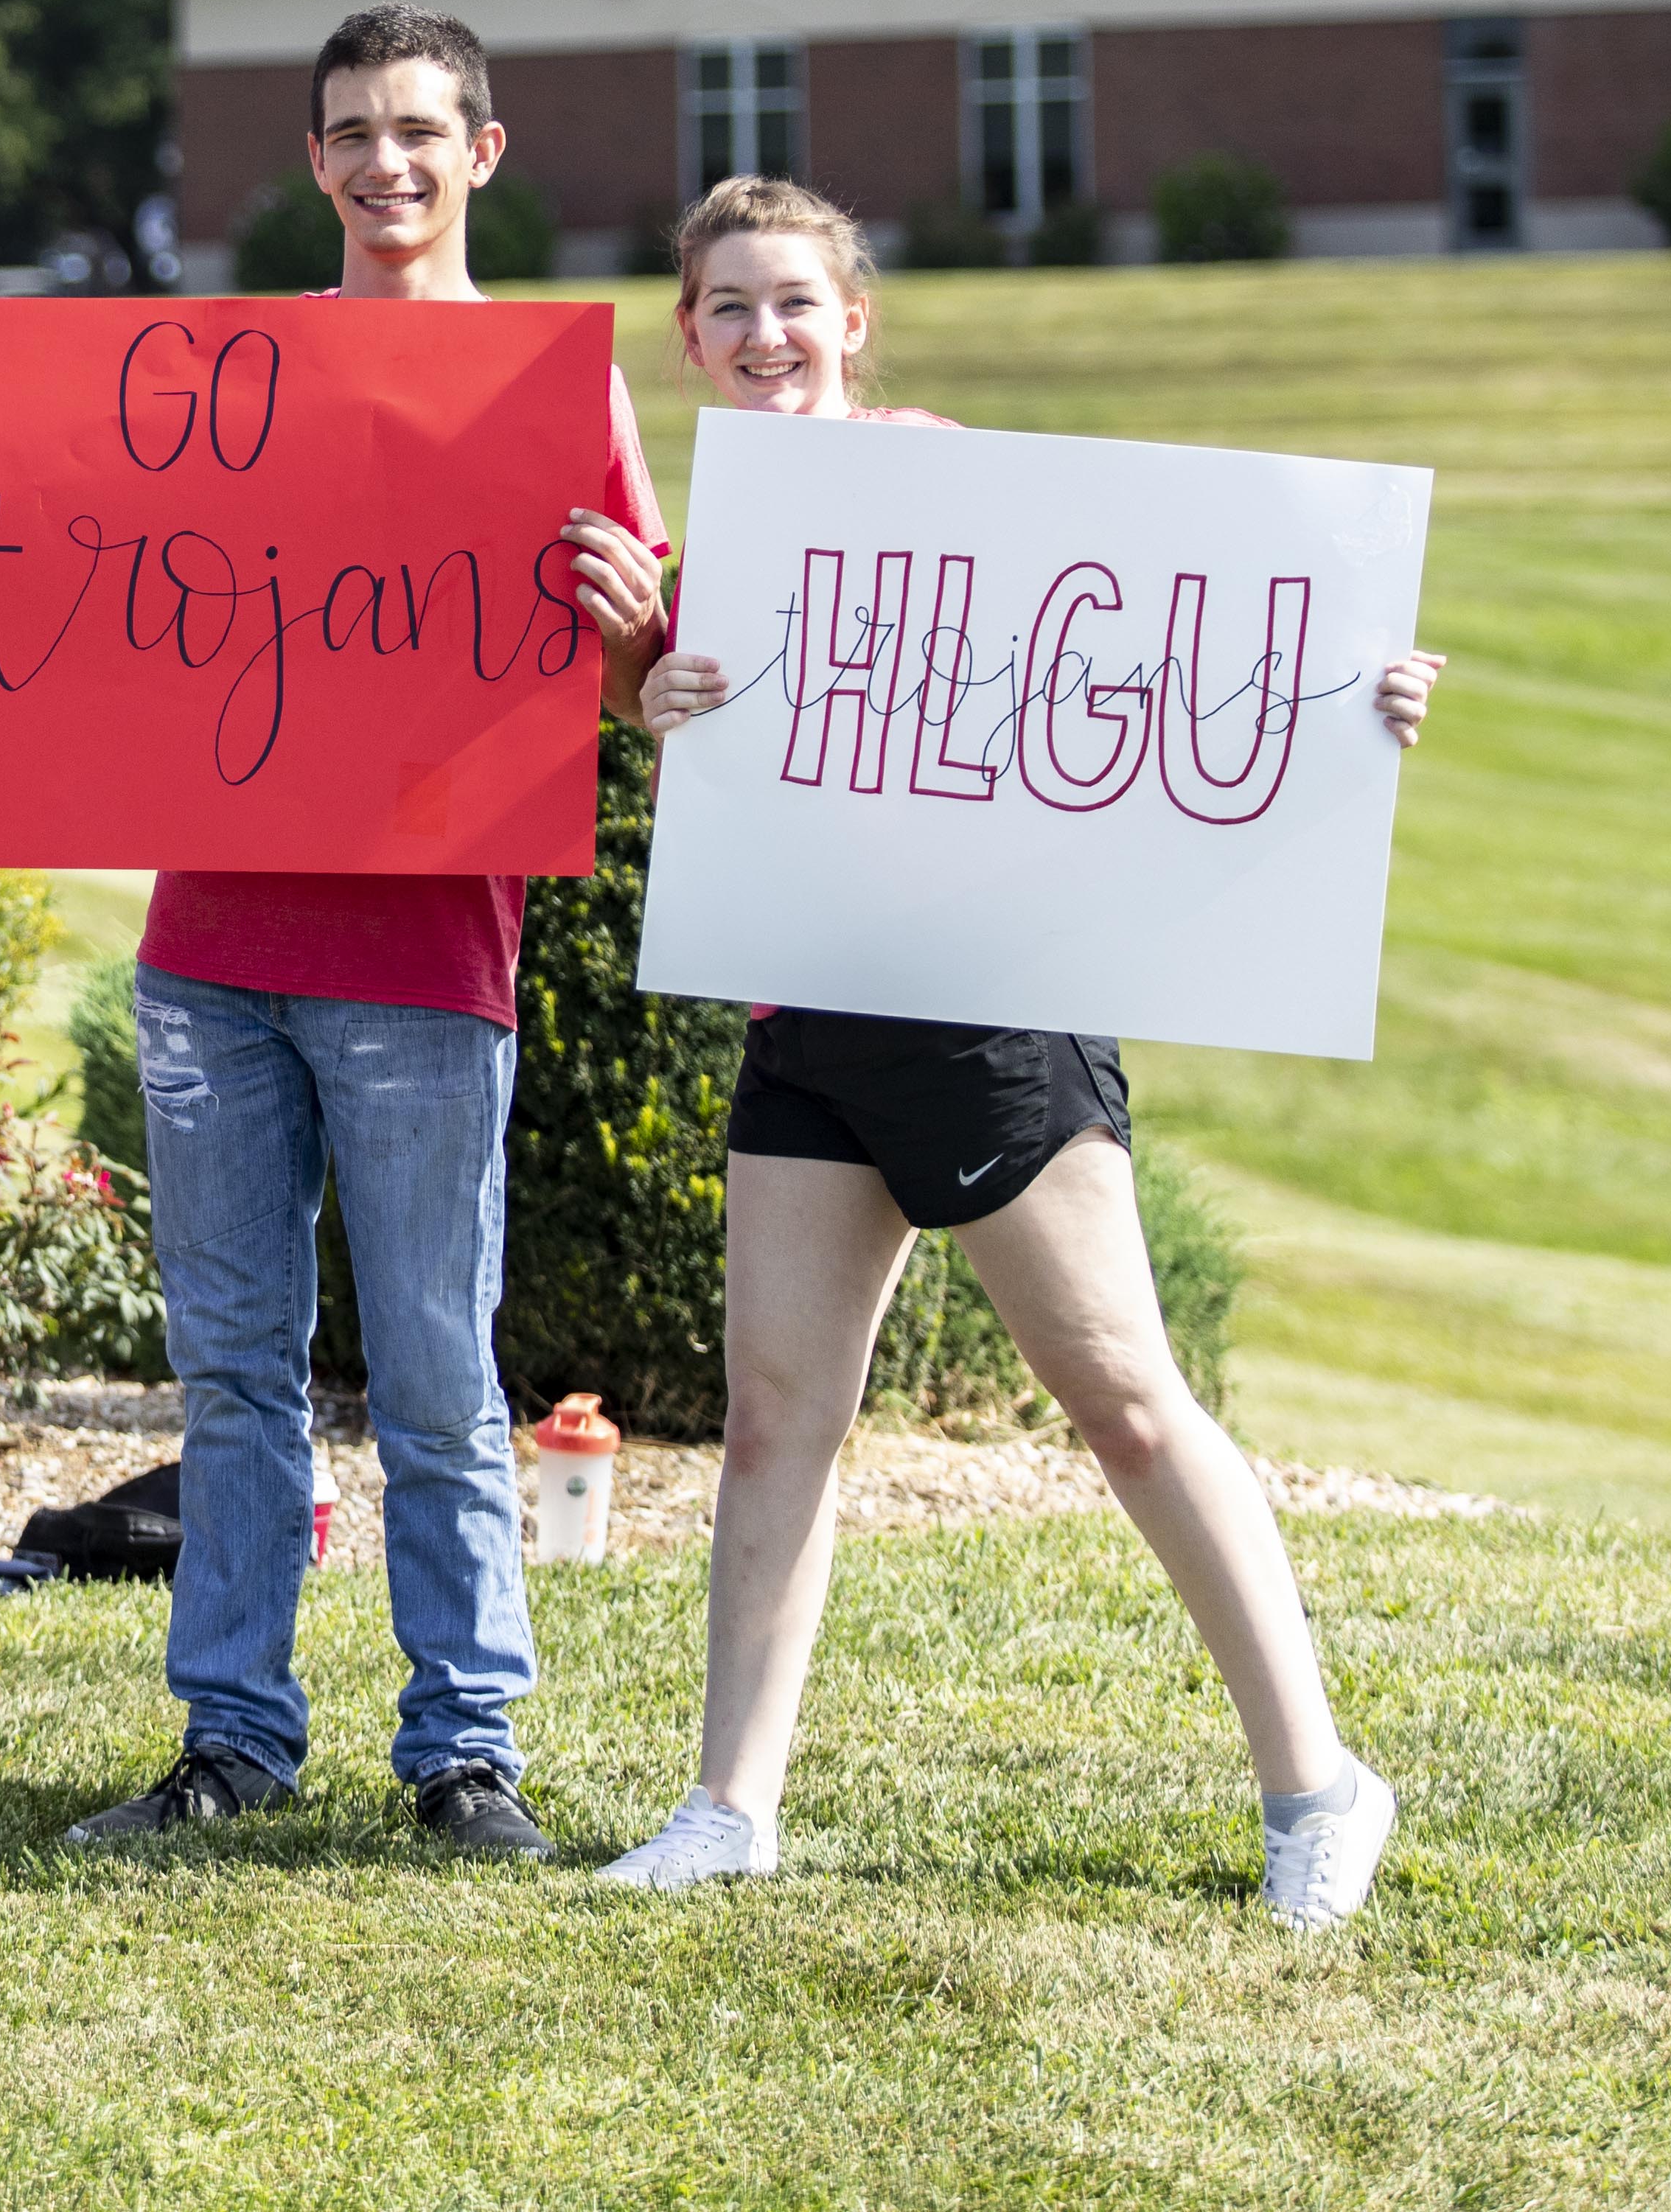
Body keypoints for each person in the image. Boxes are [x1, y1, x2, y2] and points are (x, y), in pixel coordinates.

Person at [592, 173, 1443, 1929]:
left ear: (855, 321)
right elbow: (718, 751)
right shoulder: (717, 538)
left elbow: (1145, 647)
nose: (765, 335)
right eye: (729, 307)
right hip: (802, 1018)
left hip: (986, 1014)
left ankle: (1319, 1781)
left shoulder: (935, 474)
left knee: (1124, 1401)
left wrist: (1356, 694)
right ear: (687, 335)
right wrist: (643, 685)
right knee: (774, 1421)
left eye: (794, 302)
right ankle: (729, 1805)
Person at [64, 6, 671, 1861]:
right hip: (213, 948)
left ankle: (462, 1745)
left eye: (419, 127)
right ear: (312, 161)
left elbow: (644, 690)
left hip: (427, 959)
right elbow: (103, 593)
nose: (384, 160)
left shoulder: (555, 388)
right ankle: (234, 1732)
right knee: (234, 1369)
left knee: (432, 1369)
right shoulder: (229, 369)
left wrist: (636, 620)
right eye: (350, 131)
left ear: (482, 150)